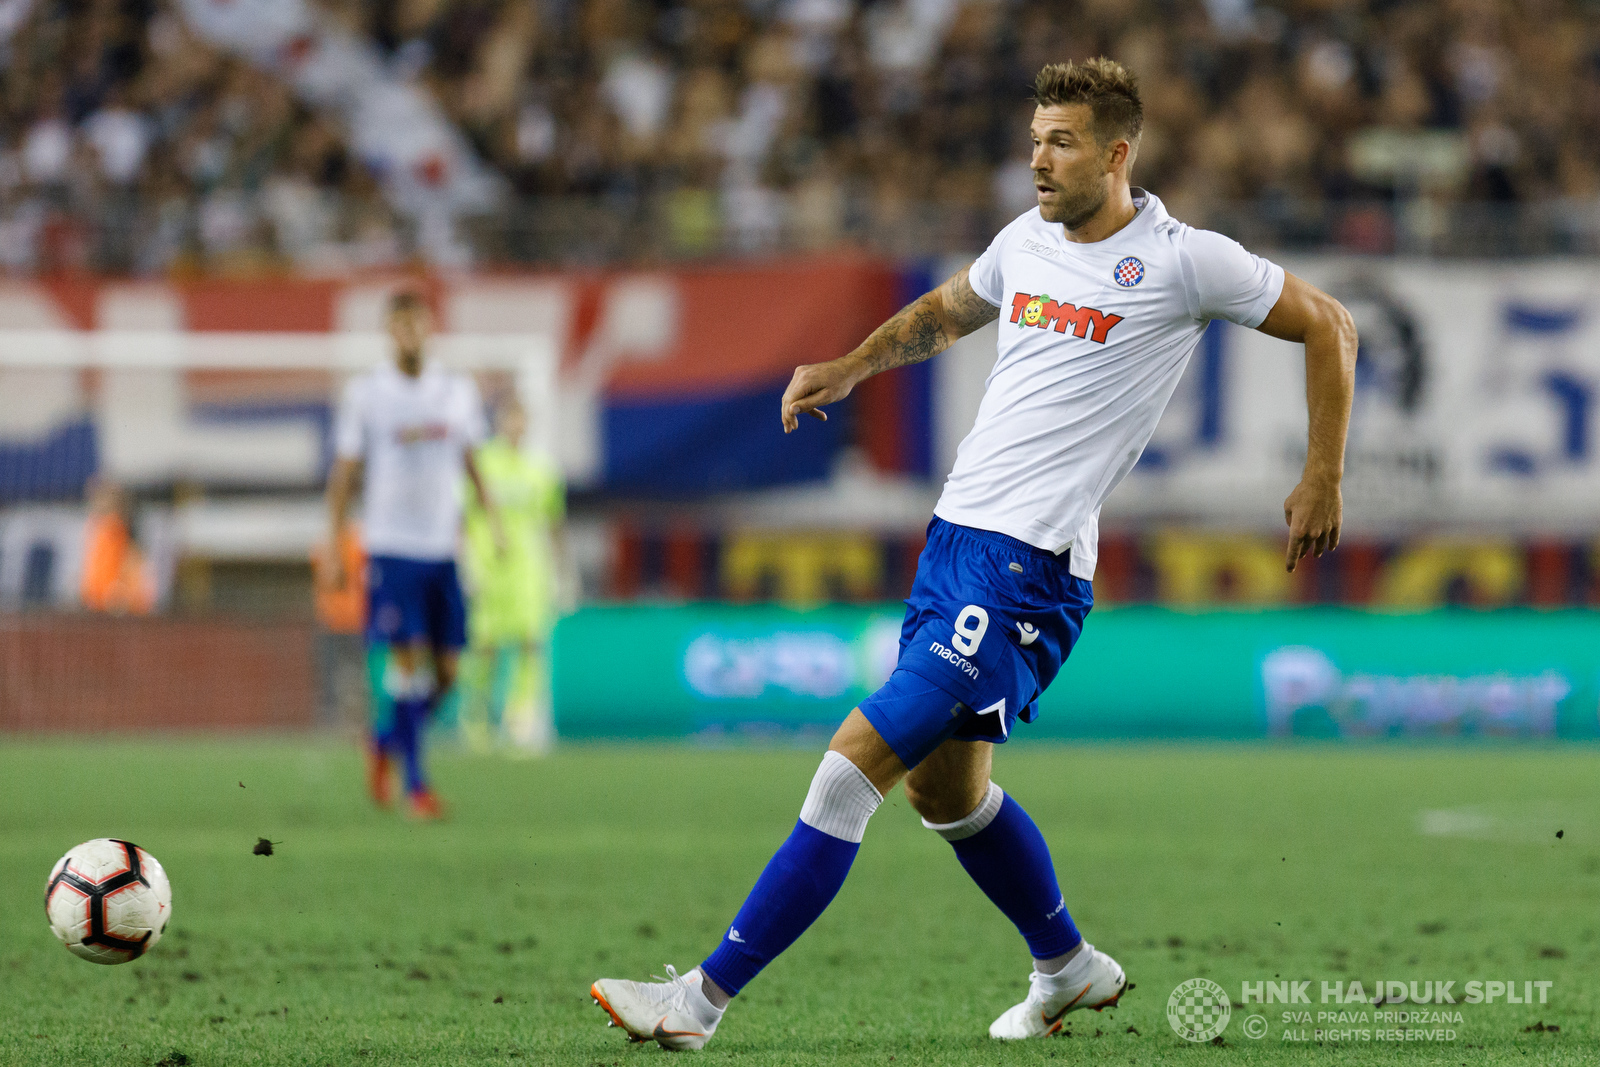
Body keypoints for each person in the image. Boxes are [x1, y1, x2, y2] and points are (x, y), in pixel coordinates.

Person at [590, 58, 1356, 1048]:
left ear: (1117, 154)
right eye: (1034, 138)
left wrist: (1322, 473)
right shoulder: (1025, 242)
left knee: (849, 766)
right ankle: (1069, 965)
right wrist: (850, 365)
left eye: (1063, 141)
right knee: (943, 790)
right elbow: (944, 311)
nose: (1039, 159)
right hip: (956, 541)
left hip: (1024, 565)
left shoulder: (1182, 259)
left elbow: (1330, 324)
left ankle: (695, 1001)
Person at [326, 290, 501, 819]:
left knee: (448, 671)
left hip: (442, 547)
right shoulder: (367, 394)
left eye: (416, 323)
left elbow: (471, 458)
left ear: (429, 327)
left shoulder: (455, 390)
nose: (408, 333)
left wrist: (490, 520)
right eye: (398, 324)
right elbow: (346, 472)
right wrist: (335, 542)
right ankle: (417, 787)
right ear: (388, 331)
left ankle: (385, 743)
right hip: (392, 547)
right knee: (408, 663)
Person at [458, 395, 567, 753]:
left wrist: (563, 572)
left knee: (530, 643)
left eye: (521, 420)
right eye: (510, 419)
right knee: (485, 647)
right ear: (499, 422)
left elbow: (554, 523)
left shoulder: (543, 469)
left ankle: (521, 720)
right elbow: (460, 519)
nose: (515, 427)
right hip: (488, 568)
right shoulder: (481, 464)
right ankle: (476, 720)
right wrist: (463, 563)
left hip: (528, 571)